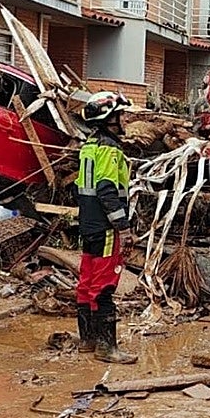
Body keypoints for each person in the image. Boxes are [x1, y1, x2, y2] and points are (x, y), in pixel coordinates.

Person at [75, 91, 137, 364]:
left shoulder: (89, 146)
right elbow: (106, 189)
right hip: (105, 228)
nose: (125, 119)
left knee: (86, 283)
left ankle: (87, 340)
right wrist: (123, 226)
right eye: (121, 115)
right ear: (108, 118)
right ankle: (107, 347)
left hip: (88, 225)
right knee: (104, 287)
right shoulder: (110, 149)